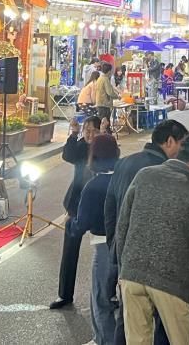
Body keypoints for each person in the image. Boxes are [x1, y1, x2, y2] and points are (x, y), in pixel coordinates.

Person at [116, 135, 189, 344]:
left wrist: (123, 269)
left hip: (132, 273)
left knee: (137, 340)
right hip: (173, 279)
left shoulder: (144, 175)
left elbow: (123, 226)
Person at [104, 120, 189, 344]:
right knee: (161, 321)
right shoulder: (165, 172)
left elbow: (110, 206)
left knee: (128, 320)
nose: (183, 151)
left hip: (127, 256)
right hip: (156, 260)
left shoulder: (124, 163)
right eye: (182, 144)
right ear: (170, 142)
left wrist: (115, 245)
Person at [68, 134, 120, 345]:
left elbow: (82, 223)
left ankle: (105, 340)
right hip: (125, 244)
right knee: (119, 298)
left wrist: (71, 223)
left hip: (103, 245)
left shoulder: (93, 185)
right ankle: (105, 338)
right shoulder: (123, 179)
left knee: (100, 298)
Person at [50, 115, 101, 309]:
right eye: (86, 130)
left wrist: (105, 135)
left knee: (105, 253)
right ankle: (64, 294)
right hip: (77, 203)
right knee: (70, 250)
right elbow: (68, 155)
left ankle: (108, 294)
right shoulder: (79, 145)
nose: (89, 134)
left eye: (93, 130)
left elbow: (112, 157)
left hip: (100, 206)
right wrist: (72, 134)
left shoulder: (104, 146)